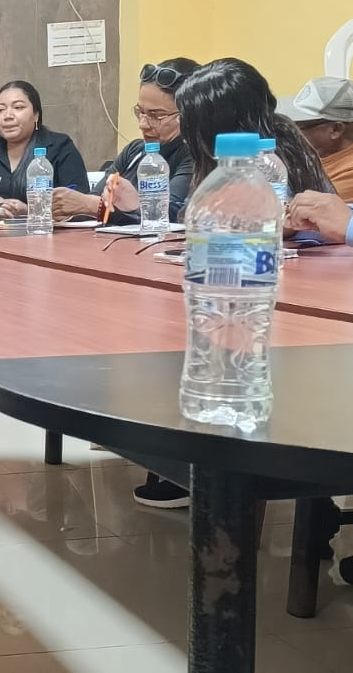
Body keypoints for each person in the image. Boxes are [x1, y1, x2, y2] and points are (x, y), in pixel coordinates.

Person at [130, 57, 333, 509]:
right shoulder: (220, 160)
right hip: (239, 288)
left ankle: (205, 467)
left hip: (291, 292)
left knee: (202, 344)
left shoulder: (277, 152)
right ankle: (177, 454)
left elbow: (320, 220)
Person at [52, 59, 202, 225]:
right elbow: (95, 198)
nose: (143, 124)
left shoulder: (195, 156)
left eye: (156, 115)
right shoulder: (134, 151)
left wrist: (91, 206)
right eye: (141, 112)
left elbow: (167, 213)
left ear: (188, 114)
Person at [0, 80, 90, 213]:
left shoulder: (60, 147)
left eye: (18, 107)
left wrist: (30, 211)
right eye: (0, 110)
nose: (7, 115)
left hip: (44, 229)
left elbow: (78, 201)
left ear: (36, 115)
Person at [278, 77, 353, 205]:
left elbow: (307, 211)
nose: (291, 133)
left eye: (297, 128)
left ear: (335, 129)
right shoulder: (320, 153)